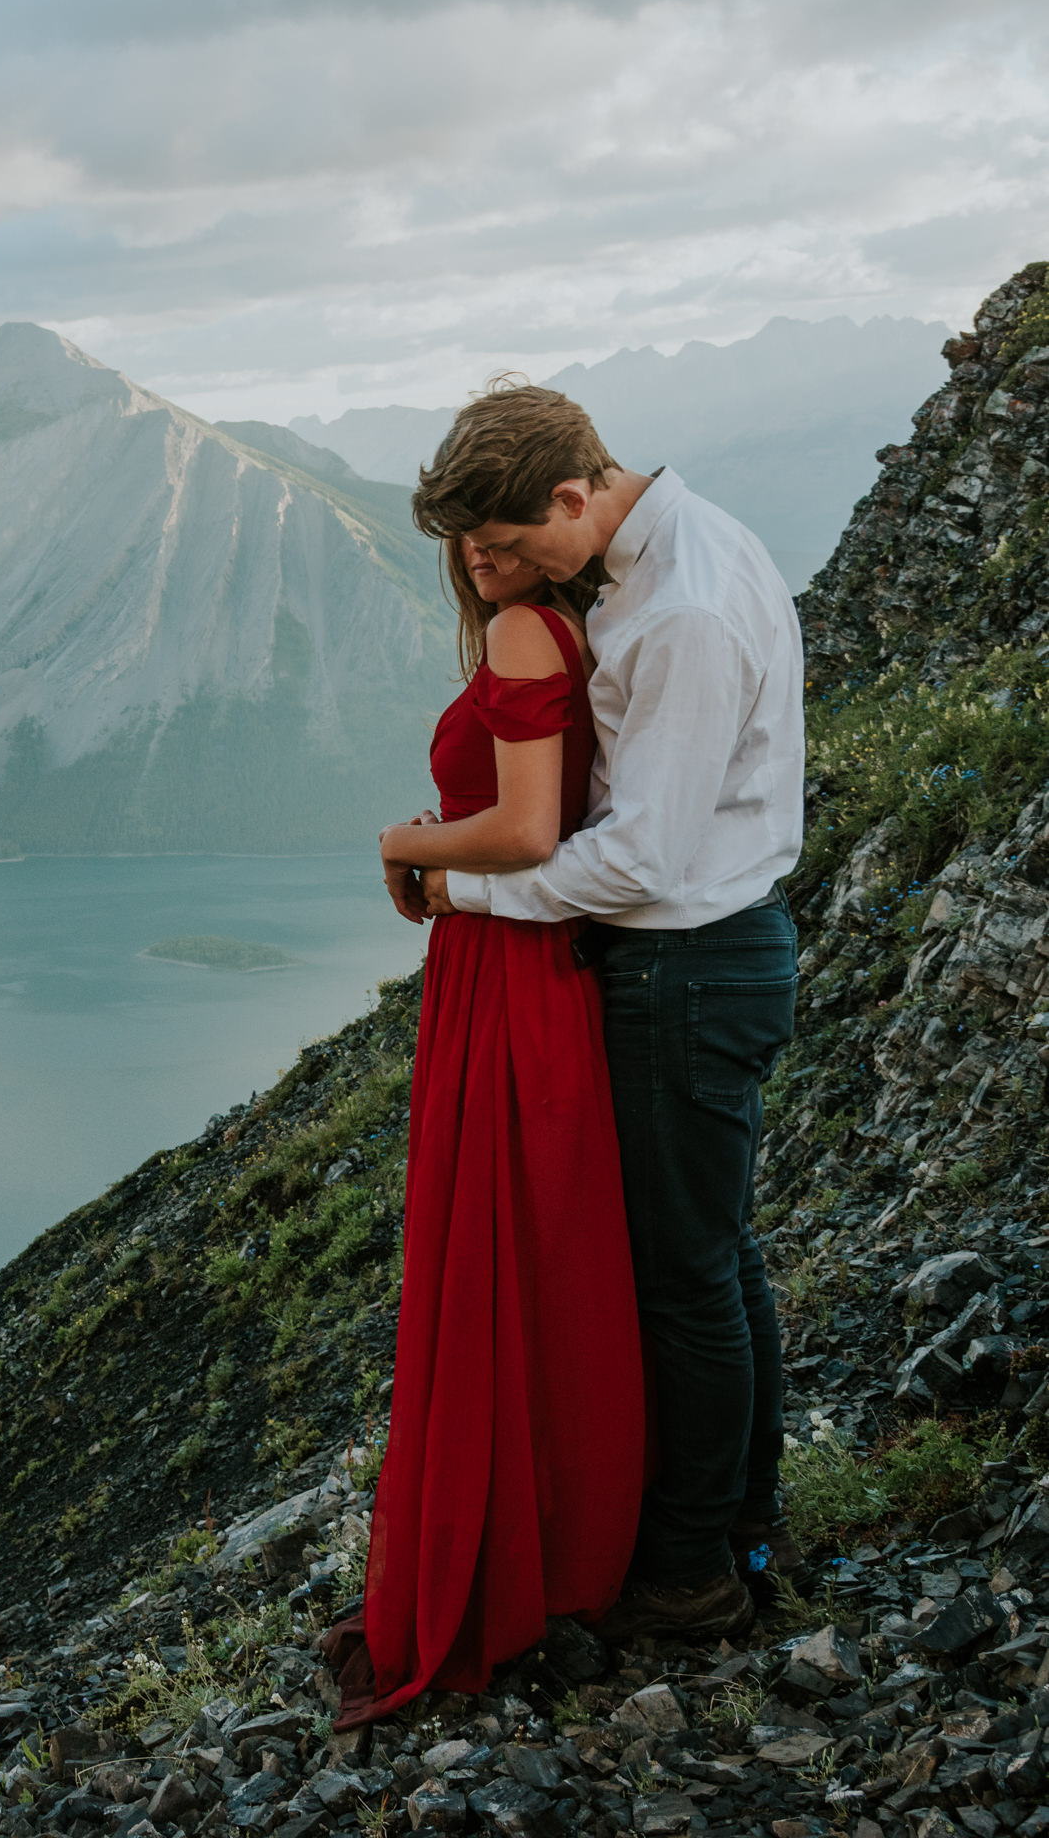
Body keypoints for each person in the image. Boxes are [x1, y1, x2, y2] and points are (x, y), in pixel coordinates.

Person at [409, 380, 806, 1646]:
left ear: (574, 495)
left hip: (685, 964)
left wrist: (459, 881)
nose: (494, 577)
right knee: (716, 1259)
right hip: (712, 956)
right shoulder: (666, 561)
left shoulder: (680, 607)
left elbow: (639, 858)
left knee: (680, 1281)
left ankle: (688, 1571)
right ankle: (733, 1527)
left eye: (510, 545)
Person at [321, 529, 645, 1728]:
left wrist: (405, 844)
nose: (473, 550)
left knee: (488, 1252)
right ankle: (561, 1546)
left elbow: (524, 831)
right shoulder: (565, 625)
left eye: (490, 520)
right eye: (456, 529)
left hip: (498, 964)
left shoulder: (520, 628)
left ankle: (488, 1565)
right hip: (520, 961)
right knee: (540, 1254)